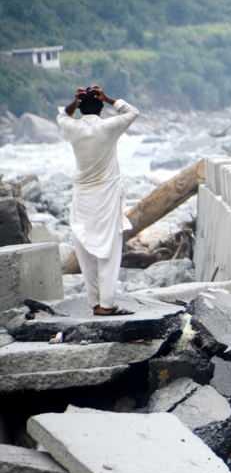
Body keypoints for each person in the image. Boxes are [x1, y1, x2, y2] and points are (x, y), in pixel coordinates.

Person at [57, 85, 139, 316]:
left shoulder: (73, 128)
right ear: (100, 107)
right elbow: (133, 112)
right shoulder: (108, 127)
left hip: (82, 197)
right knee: (109, 252)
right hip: (106, 197)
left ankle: (94, 302)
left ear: (81, 108)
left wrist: (75, 102)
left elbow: (62, 115)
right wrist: (110, 99)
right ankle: (107, 304)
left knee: (85, 250)